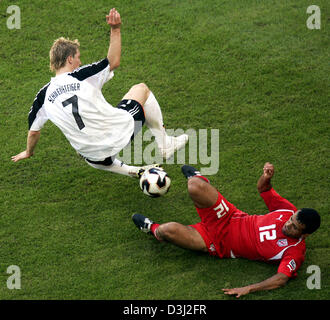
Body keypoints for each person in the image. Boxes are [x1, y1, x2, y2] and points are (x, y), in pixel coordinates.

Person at [11, 8, 188, 177]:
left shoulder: (41, 98)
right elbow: (113, 61)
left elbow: (33, 133)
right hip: (119, 136)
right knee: (141, 89)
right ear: (70, 59)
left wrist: (28, 152)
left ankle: (132, 170)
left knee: (88, 147)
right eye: (78, 58)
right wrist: (116, 29)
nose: (80, 62)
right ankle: (165, 144)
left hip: (91, 154)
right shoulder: (80, 76)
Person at [132, 162, 321, 298]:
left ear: (304, 235)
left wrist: (249, 288)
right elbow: (264, 189)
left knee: (167, 230)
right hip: (229, 216)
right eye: (291, 219)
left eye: (294, 227)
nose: (288, 224)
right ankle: (198, 176)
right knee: (194, 186)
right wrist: (266, 176)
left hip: (217, 243)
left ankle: (152, 229)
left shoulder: (294, 251)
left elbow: (281, 279)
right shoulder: (287, 210)